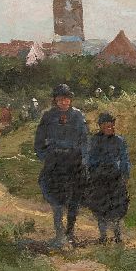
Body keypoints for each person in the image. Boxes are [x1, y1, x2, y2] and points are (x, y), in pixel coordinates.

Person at [33, 82, 89, 248]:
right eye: (60, 99)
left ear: (70, 100)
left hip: (74, 162)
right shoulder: (48, 116)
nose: (64, 102)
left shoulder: (78, 116)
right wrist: (44, 155)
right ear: (55, 100)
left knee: (74, 197)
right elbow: (39, 139)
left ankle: (70, 233)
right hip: (55, 162)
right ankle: (59, 233)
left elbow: (85, 139)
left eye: (66, 99)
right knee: (55, 197)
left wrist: (84, 159)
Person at [83, 112, 132, 243]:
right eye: (105, 126)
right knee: (100, 206)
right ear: (100, 126)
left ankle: (117, 235)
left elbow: (125, 159)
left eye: (111, 125)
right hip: (99, 179)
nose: (109, 128)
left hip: (115, 178)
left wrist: (125, 173)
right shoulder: (94, 141)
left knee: (117, 206)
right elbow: (88, 159)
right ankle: (103, 236)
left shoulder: (119, 141)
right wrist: (92, 172)